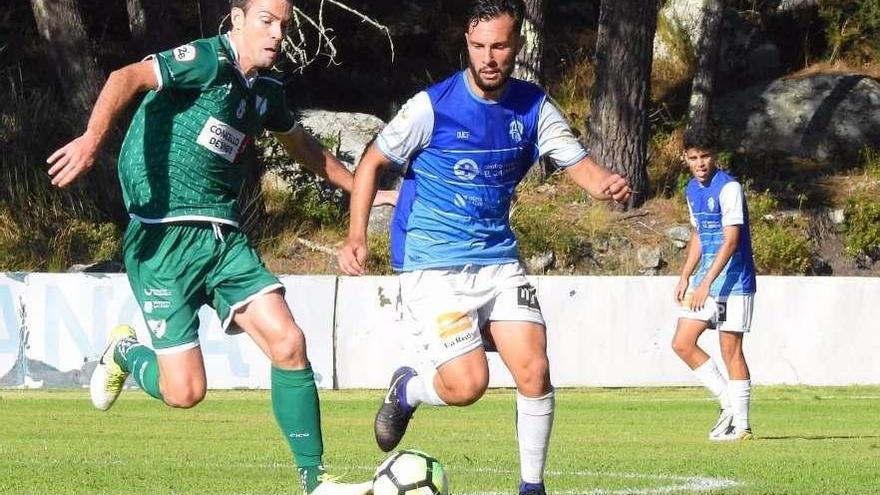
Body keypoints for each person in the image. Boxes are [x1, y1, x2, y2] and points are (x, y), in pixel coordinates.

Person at [46, 0, 393, 493]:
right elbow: (127, 76)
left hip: (222, 237)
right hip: (163, 237)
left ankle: (316, 481)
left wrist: (364, 187)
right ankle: (125, 352)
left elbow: (305, 148)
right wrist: (90, 140)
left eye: (284, 25)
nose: (276, 34)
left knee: (289, 342)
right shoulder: (207, 60)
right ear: (237, 19)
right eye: (265, 21)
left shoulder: (265, 91)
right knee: (184, 392)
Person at [337, 1, 631, 493]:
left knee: (534, 368)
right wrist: (356, 236)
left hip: (498, 263)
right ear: (466, 47)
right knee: (467, 386)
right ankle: (408, 389)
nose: (488, 57)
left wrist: (603, 182)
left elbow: (577, 161)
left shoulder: (533, 106)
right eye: (478, 46)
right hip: (432, 267)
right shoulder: (432, 106)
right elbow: (371, 163)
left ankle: (532, 487)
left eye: (499, 45)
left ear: (517, 46)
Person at [671, 131, 756, 442]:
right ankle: (727, 404)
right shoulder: (691, 189)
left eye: (704, 156)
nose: (699, 163)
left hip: (733, 282)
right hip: (706, 280)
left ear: (715, 155)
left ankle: (742, 425)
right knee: (682, 341)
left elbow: (731, 240)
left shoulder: (729, 188)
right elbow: (699, 235)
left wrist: (705, 282)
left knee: (730, 350)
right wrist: (685, 274)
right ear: (685, 159)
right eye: (693, 158)